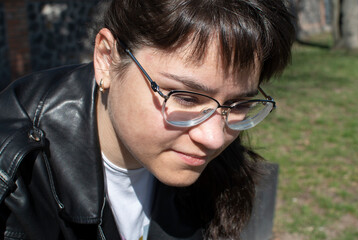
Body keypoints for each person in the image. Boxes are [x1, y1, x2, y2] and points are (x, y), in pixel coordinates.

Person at [0, 0, 295, 239]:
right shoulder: (13, 175)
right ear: (107, 58)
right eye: (187, 98)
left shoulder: (216, 145)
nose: (215, 138)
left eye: (238, 103)